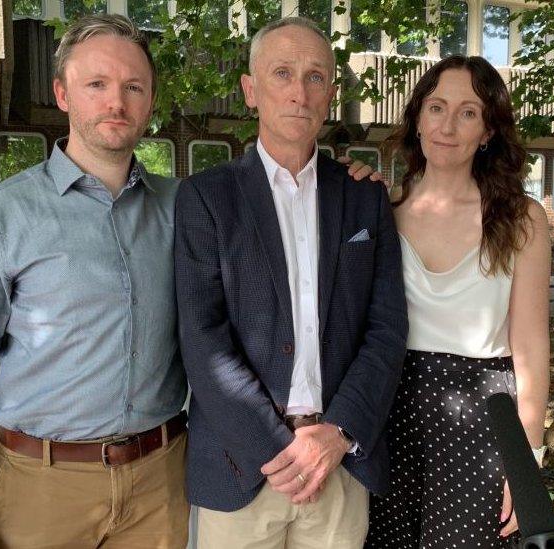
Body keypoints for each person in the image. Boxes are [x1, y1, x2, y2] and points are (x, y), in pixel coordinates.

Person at [0, 14, 382, 548]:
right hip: (41, 483)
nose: (116, 102)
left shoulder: (183, 204)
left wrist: (353, 181)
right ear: (62, 93)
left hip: (160, 480)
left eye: (133, 87)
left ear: (150, 100)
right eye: (97, 85)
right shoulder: (0, 217)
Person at [174, 17, 409, 549]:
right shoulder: (207, 198)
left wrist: (340, 431)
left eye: (315, 76)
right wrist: (275, 449)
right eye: (282, 73)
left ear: (330, 93)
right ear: (251, 90)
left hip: (339, 462)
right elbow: (203, 338)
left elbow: (387, 327)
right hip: (243, 466)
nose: (299, 93)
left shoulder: (364, 198)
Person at [364, 55, 551, 548]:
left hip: (482, 424)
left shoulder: (520, 218)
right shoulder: (381, 208)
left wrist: (527, 458)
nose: (448, 125)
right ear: (418, 117)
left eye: (468, 112)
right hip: (389, 411)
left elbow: (531, 345)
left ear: (488, 131)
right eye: (436, 107)